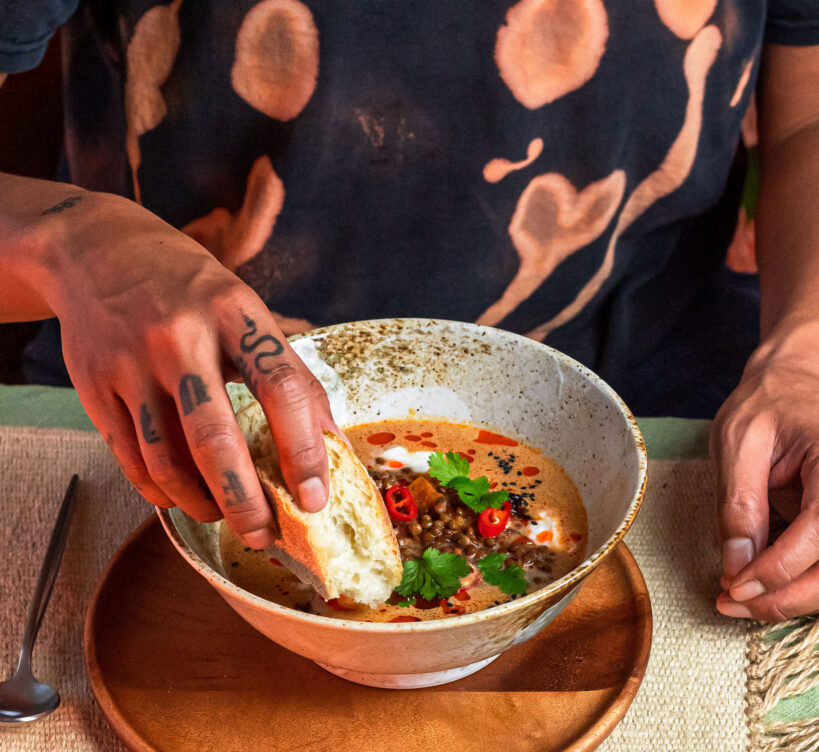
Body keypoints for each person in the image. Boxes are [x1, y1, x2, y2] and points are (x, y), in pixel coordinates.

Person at [1, 1, 818, 623]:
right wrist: (67, 245)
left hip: (665, 389)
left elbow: (806, 117)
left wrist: (805, 350)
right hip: (159, 387)